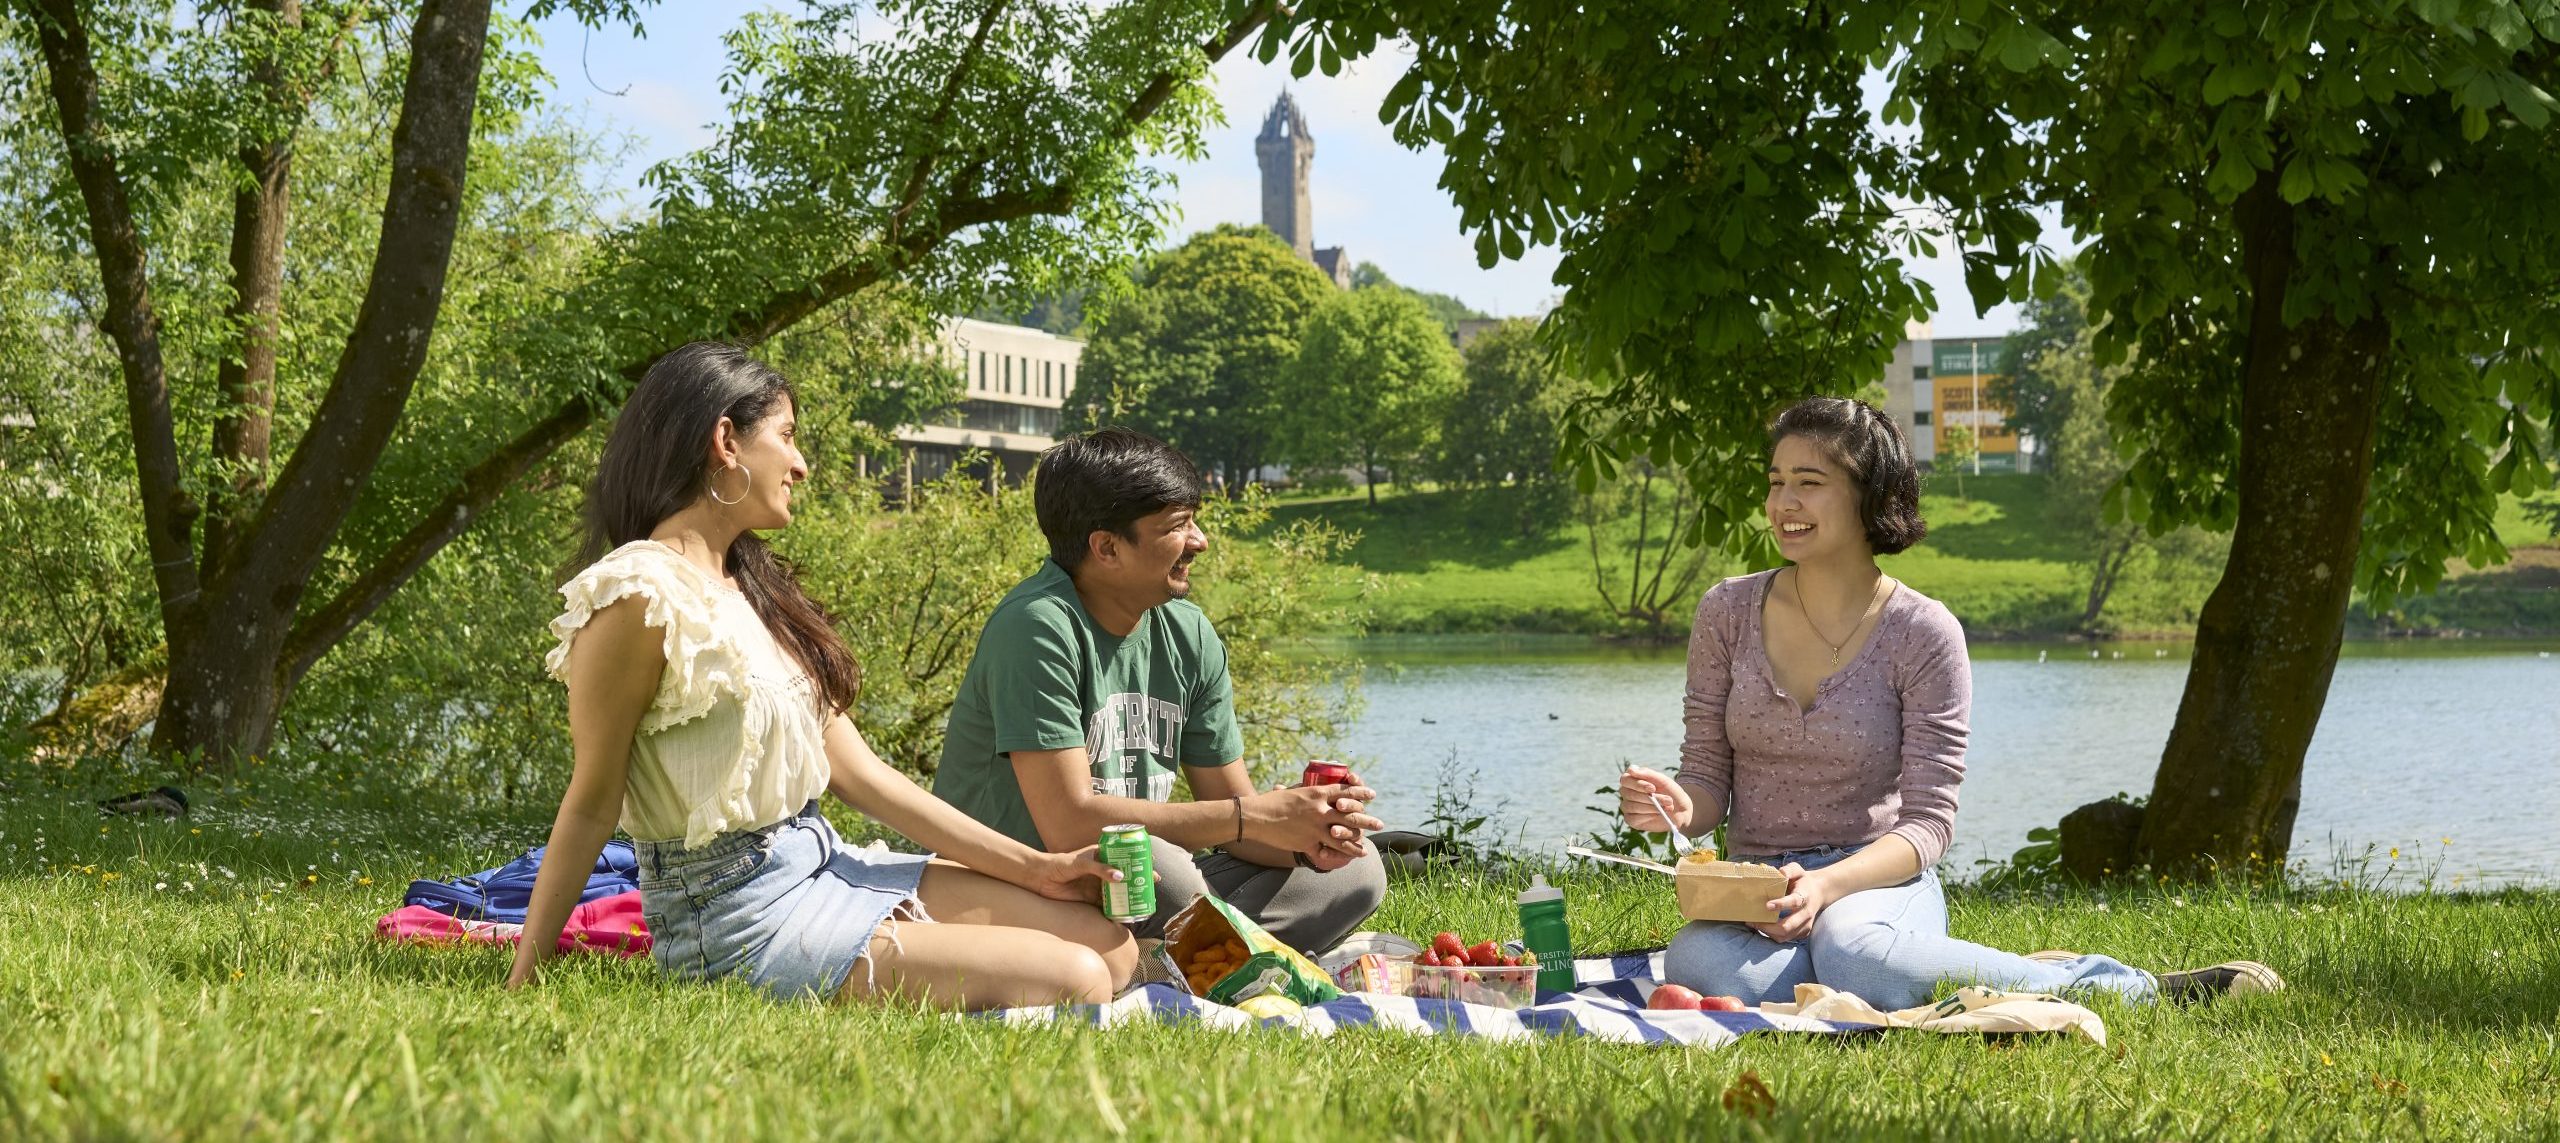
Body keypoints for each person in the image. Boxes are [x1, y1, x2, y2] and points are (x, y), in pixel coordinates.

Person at [506, 343, 1136, 1009]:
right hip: (731, 920)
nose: (801, 465)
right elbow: (590, 802)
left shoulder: (752, 588)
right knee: (1079, 978)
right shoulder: (639, 595)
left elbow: (863, 775)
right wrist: (525, 977)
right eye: (786, 436)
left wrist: (1039, 869)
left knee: (1111, 946)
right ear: (726, 441)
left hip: (819, 862)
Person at [1620, 397, 2282, 1009]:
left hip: (1878, 884)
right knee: (1699, 963)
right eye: (1775, 480)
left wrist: (1828, 886)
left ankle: (2113, 984)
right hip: (1761, 894)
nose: (1783, 501)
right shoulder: (1727, 612)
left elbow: (1928, 826)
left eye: (1809, 482)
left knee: (1857, 953)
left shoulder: (1923, 632)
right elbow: (1706, 780)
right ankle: (1951, 969)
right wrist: (1681, 805)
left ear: (1869, 497)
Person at [933, 428, 1387, 953]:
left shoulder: (1188, 634)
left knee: (1356, 871)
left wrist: (1309, 836)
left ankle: (1196, 958)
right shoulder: (1036, 628)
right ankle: (1210, 956)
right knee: (1155, 865)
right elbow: (1070, 824)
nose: (1200, 541)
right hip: (1020, 887)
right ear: (1106, 547)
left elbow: (1230, 810)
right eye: (1178, 526)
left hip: (1132, 887)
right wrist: (1256, 815)